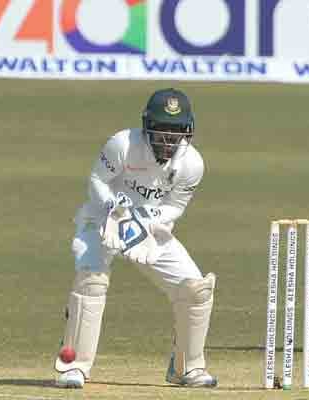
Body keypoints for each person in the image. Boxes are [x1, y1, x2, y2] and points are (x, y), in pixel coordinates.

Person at [53, 88, 217, 389]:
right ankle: (73, 366)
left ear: (188, 131)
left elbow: (175, 207)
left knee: (197, 291)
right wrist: (113, 207)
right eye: (161, 130)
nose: (168, 139)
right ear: (147, 127)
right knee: (92, 280)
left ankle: (187, 367)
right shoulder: (123, 144)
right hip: (102, 220)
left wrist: (147, 219)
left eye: (176, 132)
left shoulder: (192, 163)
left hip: (149, 228)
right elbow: (97, 180)